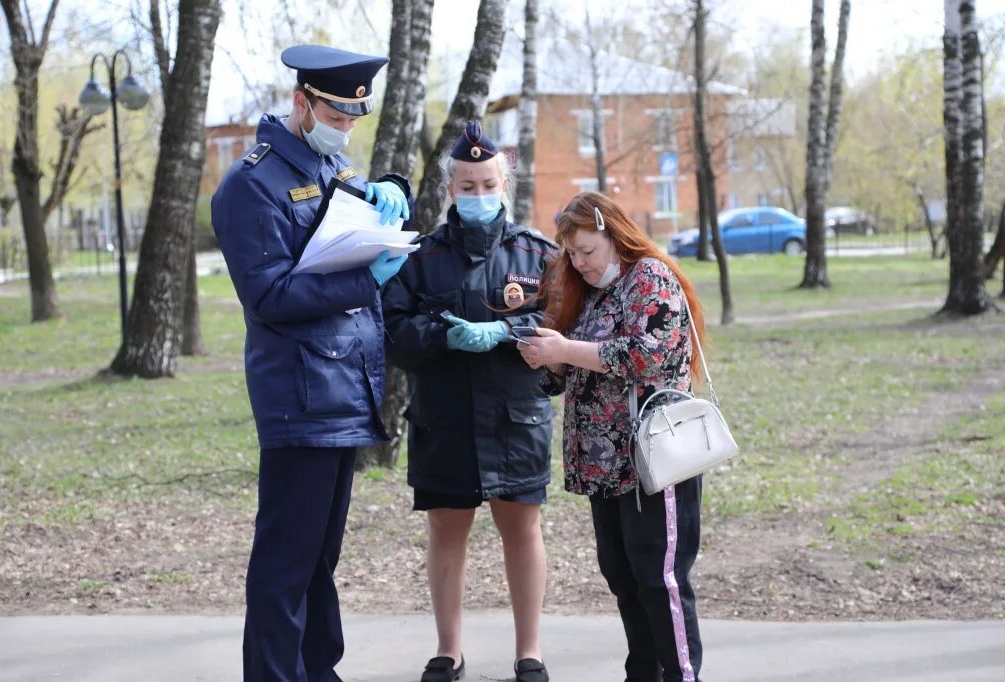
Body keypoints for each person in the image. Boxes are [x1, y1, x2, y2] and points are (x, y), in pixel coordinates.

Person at [211, 44, 413, 682]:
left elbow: (358, 216)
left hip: (342, 389)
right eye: (337, 113)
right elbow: (269, 295)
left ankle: (317, 671)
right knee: (286, 561)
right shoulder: (252, 184)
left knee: (319, 556)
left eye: (356, 117)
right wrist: (366, 282)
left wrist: (394, 193)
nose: (347, 126)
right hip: (299, 394)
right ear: (301, 103)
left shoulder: (327, 166)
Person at [382, 121, 557, 682]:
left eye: (487, 184)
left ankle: (528, 652)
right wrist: (442, 335)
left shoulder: (537, 255)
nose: (477, 195)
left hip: (516, 417)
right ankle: (448, 650)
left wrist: (508, 333)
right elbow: (394, 332)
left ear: (504, 183)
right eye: (466, 186)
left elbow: (566, 319)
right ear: (449, 188)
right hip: (445, 420)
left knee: (522, 530)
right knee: (445, 532)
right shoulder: (419, 257)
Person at [518, 192, 708, 682]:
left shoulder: (650, 277)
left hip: (653, 461)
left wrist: (569, 349)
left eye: (587, 251)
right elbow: (571, 375)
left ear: (615, 235)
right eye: (571, 253)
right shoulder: (592, 290)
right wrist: (549, 358)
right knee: (623, 577)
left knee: (658, 579)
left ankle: (682, 674)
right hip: (605, 466)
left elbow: (650, 355)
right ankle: (643, 673)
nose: (578, 263)